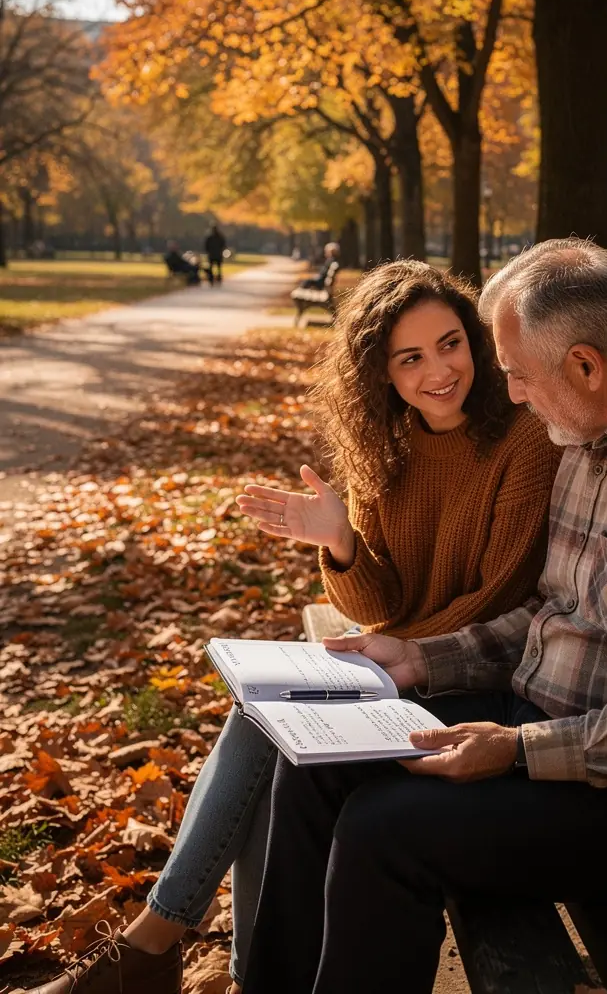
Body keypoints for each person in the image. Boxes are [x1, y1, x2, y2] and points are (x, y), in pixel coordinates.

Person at [239, 238, 607, 994]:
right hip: (547, 725)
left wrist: (519, 750)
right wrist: (422, 661)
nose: (509, 394)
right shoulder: (589, 436)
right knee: (316, 767)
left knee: (385, 834)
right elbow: (552, 614)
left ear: (583, 364)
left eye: (517, 373)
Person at [26, 261, 561, 994]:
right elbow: (382, 601)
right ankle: (197, 957)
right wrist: (340, 541)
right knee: (268, 723)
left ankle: (159, 946)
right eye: (411, 358)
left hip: (472, 679)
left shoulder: (523, 443)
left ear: (473, 338)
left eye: (450, 343)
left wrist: (394, 656)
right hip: (396, 665)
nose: (439, 370)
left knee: (275, 735)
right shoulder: (390, 445)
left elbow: (494, 601)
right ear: (381, 373)